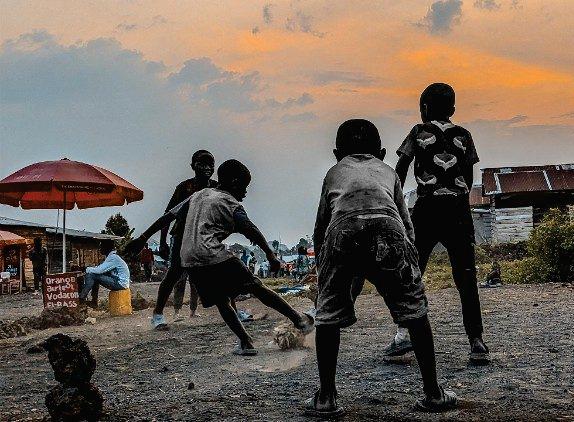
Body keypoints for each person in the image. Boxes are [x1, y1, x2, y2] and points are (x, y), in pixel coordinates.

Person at [308, 119, 457, 416]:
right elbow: (406, 223)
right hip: (389, 230)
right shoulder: (388, 171)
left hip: (343, 232)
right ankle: (433, 393)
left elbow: (321, 225)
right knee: (415, 313)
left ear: (337, 154)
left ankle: (326, 398)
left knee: (327, 317)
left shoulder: (334, 172)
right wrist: (410, 263)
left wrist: (323, 269)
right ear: (382, 152)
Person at [125, 159, 314, 356]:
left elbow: (167, 217)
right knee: (255, 286)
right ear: (234, 183)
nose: (245, 193)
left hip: (188, 258)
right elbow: (250, 228)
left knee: (222, 301)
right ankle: (299, 320)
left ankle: (246, 342)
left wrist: (142, 238)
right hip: (211, 251)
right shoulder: (229, 202)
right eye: (244, 187)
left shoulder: (197, 196)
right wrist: (270, 254)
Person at [386, 82, 489, 363]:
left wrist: (395, 202)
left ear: (424, 108)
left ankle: (403, 335)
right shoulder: (464, 135)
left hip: (427, 209)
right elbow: (468, 177)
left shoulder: (418, 132)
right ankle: (476, 341)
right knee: (466, 277)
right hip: (458, 210)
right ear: (453, 109)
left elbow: (400, 170)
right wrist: (456, 197)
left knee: (413, 272)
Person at [151, 150, 216, 329]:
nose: (206, 167)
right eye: (201, 163)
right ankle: (158, 314)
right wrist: (162, 242)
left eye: (210, 164)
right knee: (174, 273)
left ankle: (233, 311)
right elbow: (168, 215)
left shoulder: (216, 188)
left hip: (205, 236)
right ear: (193, 166)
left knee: (218, 271)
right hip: (182, 235)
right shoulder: (185, 187)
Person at [80, 239, 130, 307]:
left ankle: (81, 298)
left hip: (120, 283)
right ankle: (93, 301)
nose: (100, 249)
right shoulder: (111, 257)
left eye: (101, 246)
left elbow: (99, 270)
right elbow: (100, 269)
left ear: (107, 248)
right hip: (119, 281)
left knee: (91, 275)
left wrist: (86, 269)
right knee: (95, 275)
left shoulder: (113, 257)